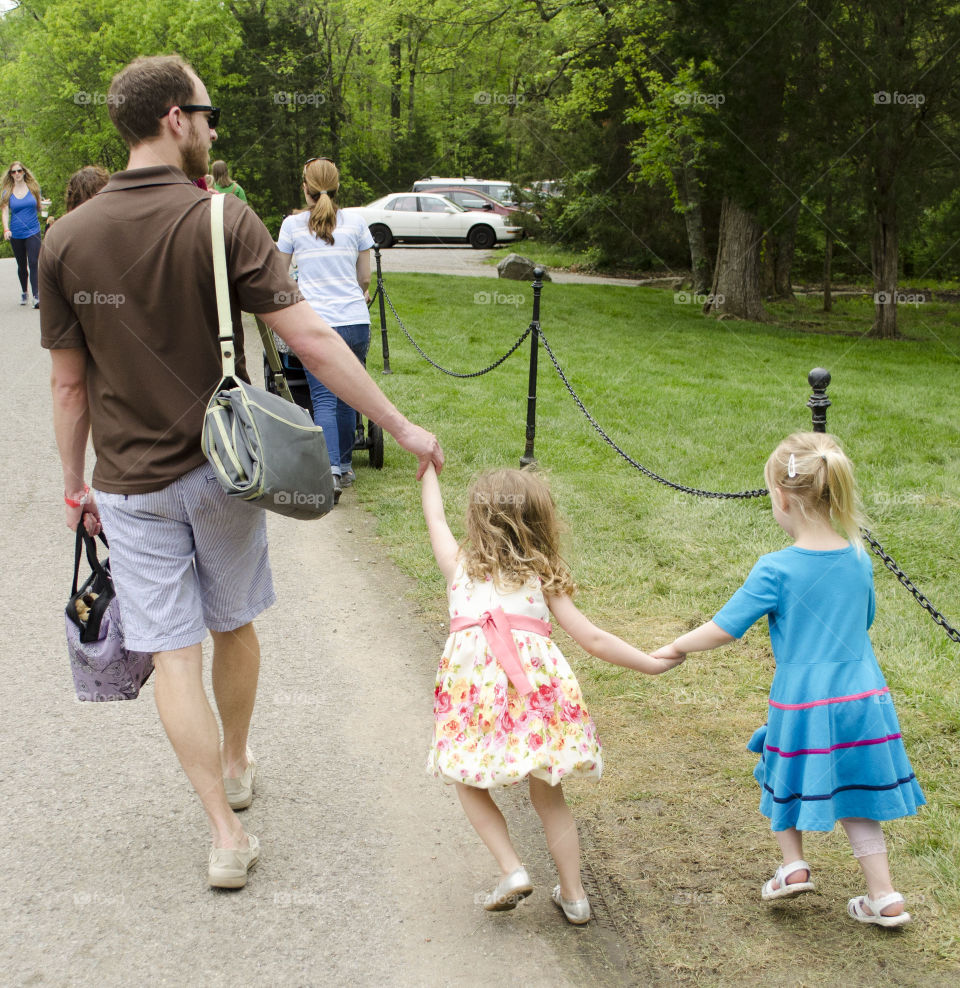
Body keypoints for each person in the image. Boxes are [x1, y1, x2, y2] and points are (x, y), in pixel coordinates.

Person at [39, 53, 443, 891]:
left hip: (127, 485)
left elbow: (69, 384)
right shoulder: (223, 219)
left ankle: (223, 836)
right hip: (226, 470)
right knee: (233, 624)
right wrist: (399, 427)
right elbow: (314, 339)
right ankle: (235, 761)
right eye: (208, 112)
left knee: (171, 656)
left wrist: (75, 487)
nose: (214, 127)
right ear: (173, 119)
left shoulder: (67, 237)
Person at [652, 432, 925, 928]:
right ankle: (883, 895)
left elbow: (724, 628)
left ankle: (793, 867)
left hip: (802, 699)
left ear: (781, 498)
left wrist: (675, 646)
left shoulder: (775, 568)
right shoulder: (859, 558)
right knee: (858, 791)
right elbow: (865, 619)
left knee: (781, 775)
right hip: (865, 695)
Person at [420, 464, 680, 923]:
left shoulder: (459, 566)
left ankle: (511, 869)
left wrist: (429, 469)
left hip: (473, 699)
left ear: (477, 522)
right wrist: (650, 663)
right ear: (539, 522)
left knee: (465, 777)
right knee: (549, 793)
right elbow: (592, 638)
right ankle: (575, 895)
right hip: (536, 697)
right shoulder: (542, 575)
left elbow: (435, 520)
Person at [277, 157, 373, 501]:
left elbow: (281, 277)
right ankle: (344, 466)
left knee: (323, 397)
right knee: (350, 394)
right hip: (354, 321)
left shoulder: (292, 226)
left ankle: (331, 468)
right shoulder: (357, 223)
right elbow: (364, 277)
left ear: (305, 188)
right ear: (337, 186)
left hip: (317, 323)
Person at [2, 160, 46, 308]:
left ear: (24, 172)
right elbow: (5, 212)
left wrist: (45, 205)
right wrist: (6, 229)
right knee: (22, 265)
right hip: (16, 233)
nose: (17, 174)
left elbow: (40, 208)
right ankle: (24, 291)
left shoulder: (34, 188)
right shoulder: (7, 192)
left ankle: (36, 296)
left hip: (33, 230)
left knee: (34, 262)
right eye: (13, 172)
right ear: (11, 175)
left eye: (19, 171)